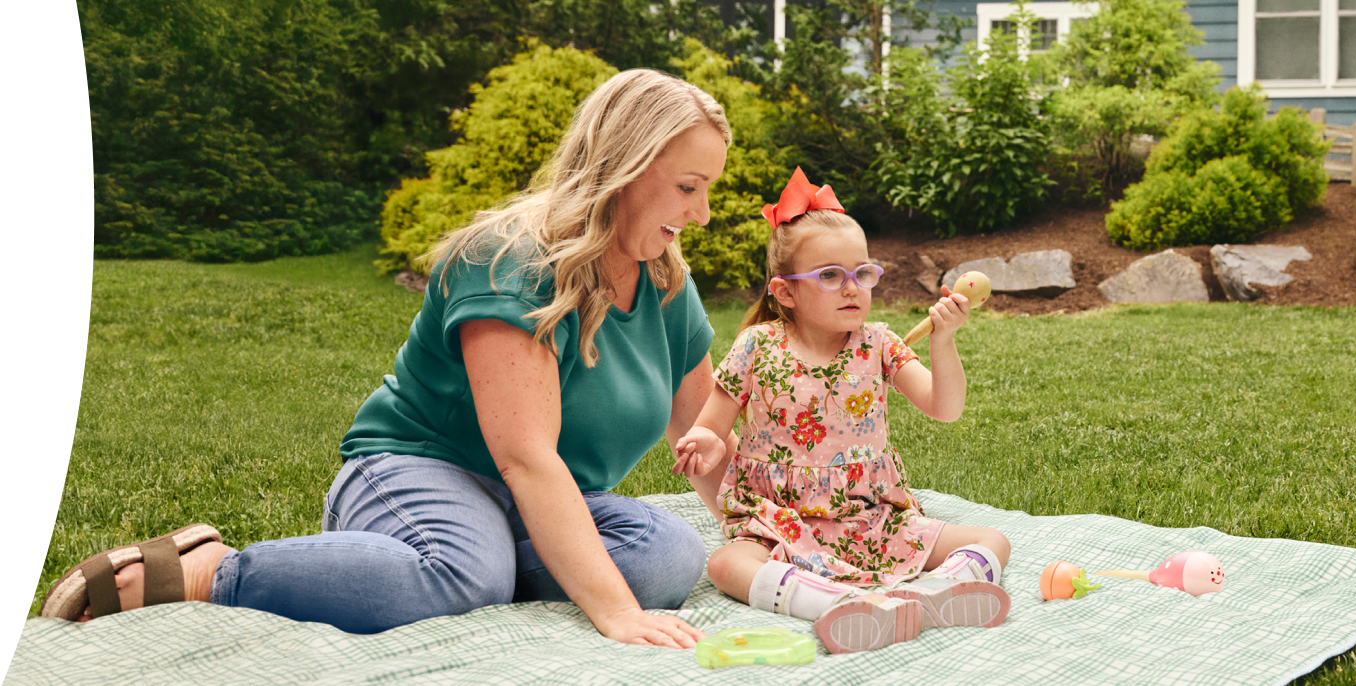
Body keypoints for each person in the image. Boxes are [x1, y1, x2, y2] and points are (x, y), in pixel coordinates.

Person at [41, 69, 740, 650]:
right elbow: (525, 457)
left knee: (667, 554)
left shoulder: (663, 281)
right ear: (624, 165)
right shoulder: (508, 260)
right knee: (468, 574)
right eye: (688, 187)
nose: (703, 213)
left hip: (537, 503)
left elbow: (699, 434)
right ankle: (205, 570)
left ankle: (463, 566)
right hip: (419, 469)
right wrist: (613, 612)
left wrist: (771, 540)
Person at [671, 168, 1013, 654]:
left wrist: (944, 341)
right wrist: (704, 442)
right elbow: (712, 425)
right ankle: (833, 602)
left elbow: (945, 406)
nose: (852, 287)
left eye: (862, 273)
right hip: (778, 521)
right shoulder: (756, 347)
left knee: (991, 539)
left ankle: (936, 596)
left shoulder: (878, 344)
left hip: (868, 516)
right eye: (830, 275)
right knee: (727, 564)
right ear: (785, 291)